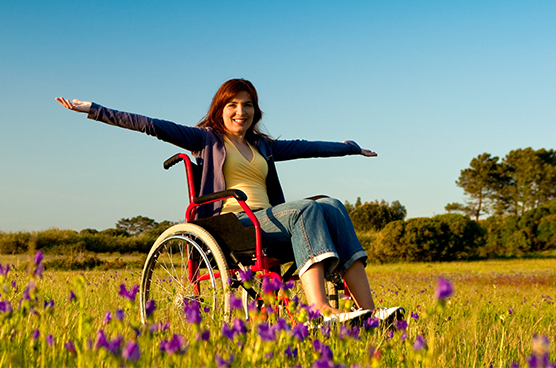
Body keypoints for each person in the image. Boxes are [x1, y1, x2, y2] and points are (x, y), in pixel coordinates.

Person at [56, 78, 402, 325]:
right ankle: (319, 310)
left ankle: (370, 313)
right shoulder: (205, 139)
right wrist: (95, 110)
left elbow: (309, 147)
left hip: (268, 220)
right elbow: (151, 125)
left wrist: (350, 148)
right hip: (232, 224)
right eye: (233, 105)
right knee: (307, 208)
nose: (241, 111)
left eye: (247, 105)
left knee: (333, 205)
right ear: (220, 109)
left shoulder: (263, 145)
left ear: (256, 111)